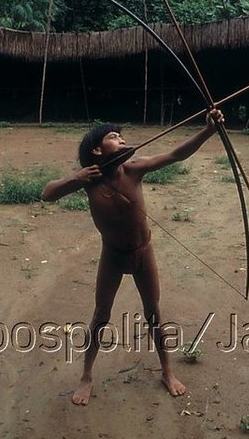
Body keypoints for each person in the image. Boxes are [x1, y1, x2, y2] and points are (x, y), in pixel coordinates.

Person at [41, 108, 225, 405]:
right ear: (97, 150)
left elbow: (175, 155)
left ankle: (167, 371)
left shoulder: (134, 169)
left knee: (153, 312)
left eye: (122, 137)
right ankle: (86, 375)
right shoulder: (89, 181)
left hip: (143, 251)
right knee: (101, 315)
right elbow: (47, 194)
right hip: (112, 255)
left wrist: (208, 131)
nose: (122, 140)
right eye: (114, 137)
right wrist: (77, 176)